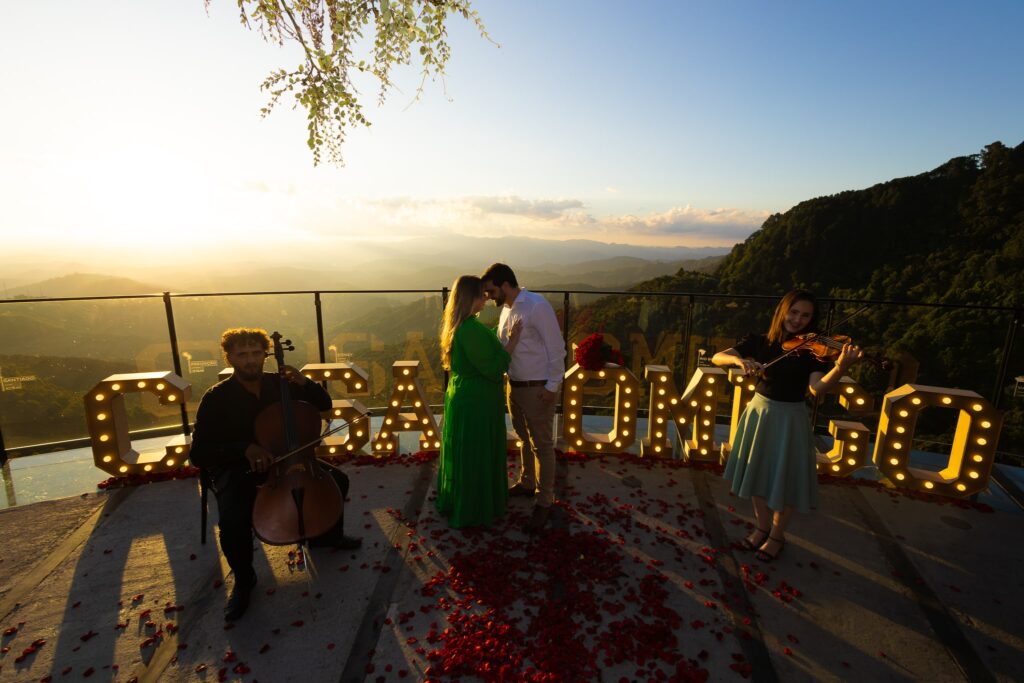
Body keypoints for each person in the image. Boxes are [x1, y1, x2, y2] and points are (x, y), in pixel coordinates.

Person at [190, 327, 361, 621]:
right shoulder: (216, 398)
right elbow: (199, 453)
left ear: (265, 355)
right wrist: (244, 448)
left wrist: (306, 383)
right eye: (242, 355)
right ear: (229, 358)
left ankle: (325, 536)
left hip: (288, 463)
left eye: (256, 353)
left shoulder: (281, 384)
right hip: (241, 467)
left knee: (339, 481)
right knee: (233, 519)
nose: (250, 361)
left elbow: (324, 405)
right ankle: (245, 579)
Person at [712, 290, 862, 562]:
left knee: (786, 479)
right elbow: (718, 357)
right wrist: (740, 360)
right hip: (759, 413)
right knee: (757, 473)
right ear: (783, 311)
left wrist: (840, 367)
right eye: (794, 312)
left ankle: (777, 536)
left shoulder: (814, 352)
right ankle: (762, 528)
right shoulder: (760, 341)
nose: (798, 320)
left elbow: (817, 389)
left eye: (805, 316)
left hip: (790, 418)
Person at [480, 263, 566, 533]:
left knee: (541, 443)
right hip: (514, 386)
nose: (489, 296)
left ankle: (545, 500)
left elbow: (556, 348)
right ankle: (528, 482)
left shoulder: (536, 306)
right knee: (523, 438)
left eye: (492, 290)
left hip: (537, 386)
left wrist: (552, 385)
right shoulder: (506, 309)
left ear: (505, 284)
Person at [436, 276, 521, 528]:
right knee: (476, 452)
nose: (486, 299)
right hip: (476, 400)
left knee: (467, 451)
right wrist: (512, 342)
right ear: (470, 297)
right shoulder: (470, 329)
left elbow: (480, 353)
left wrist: (497, 337)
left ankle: (463, 499)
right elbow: (493, 368)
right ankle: (475, 506)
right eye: (482, 295)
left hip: (465, 394)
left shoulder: (464, 325)